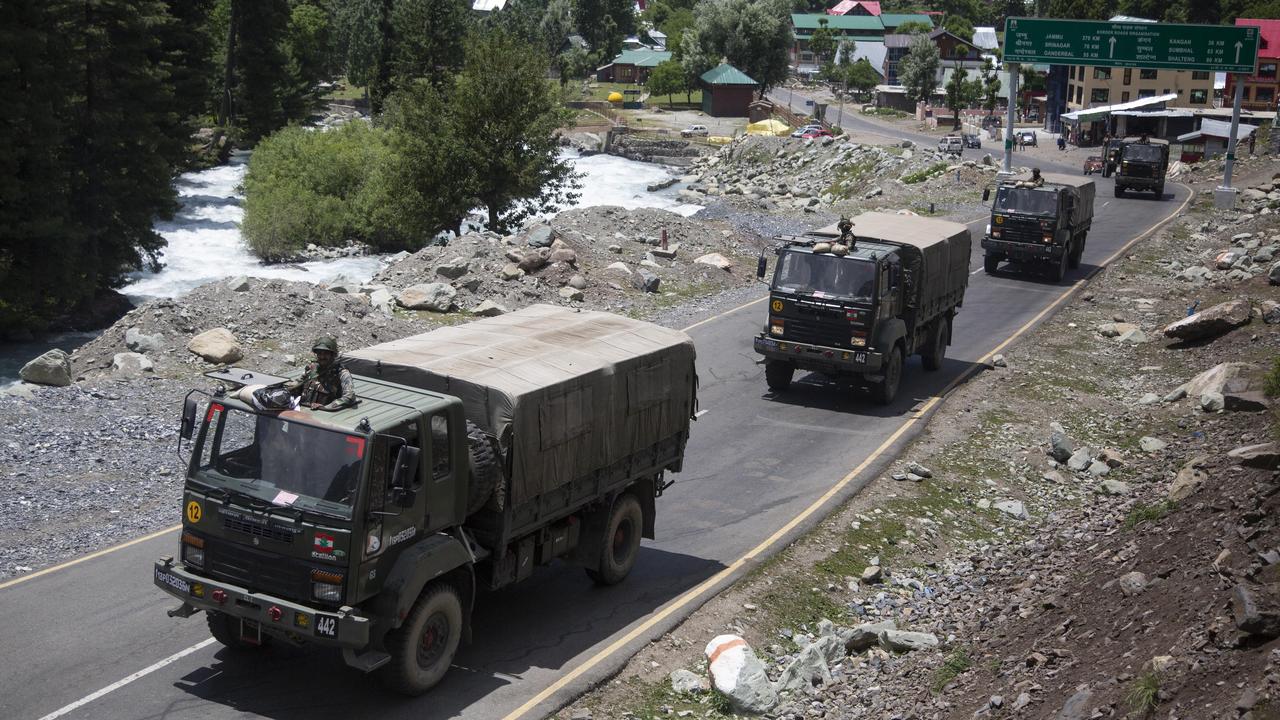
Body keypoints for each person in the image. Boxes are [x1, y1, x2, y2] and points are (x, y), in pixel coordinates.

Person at [287, 336, 356, 411]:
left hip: (324, 415)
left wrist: (325, 407)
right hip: (302, 411)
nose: (322, 356)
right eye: (319, 353)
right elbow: (298, 383)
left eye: (326, 353)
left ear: (333, 355)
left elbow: (349, 396)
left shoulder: (342, 373)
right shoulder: (312, 369)